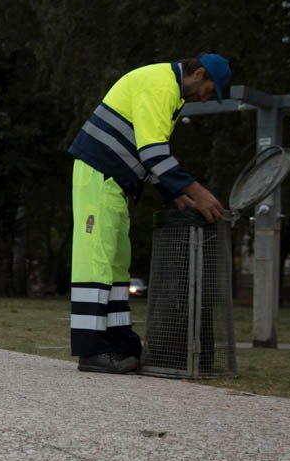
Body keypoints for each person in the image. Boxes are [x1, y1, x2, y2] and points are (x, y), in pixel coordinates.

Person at [67, 54, 230, 373]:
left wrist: (177, 195)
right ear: (197, 74)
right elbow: (153, 153)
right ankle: (91, 350)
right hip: (99, 175)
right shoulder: (161, 87)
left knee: (116, 265)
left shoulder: (168, 91)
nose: (206, 97)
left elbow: (150, 149)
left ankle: (119, 342)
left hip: (115, 181)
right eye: (209, 89)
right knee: (96, 260)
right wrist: (198, 192)